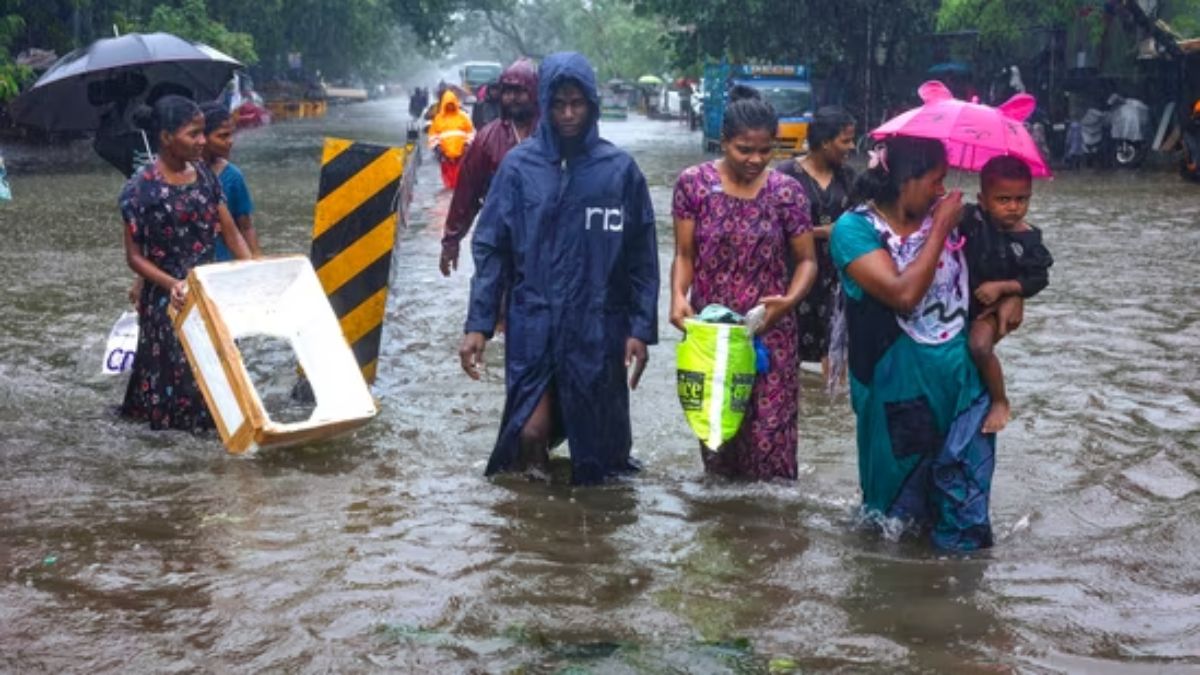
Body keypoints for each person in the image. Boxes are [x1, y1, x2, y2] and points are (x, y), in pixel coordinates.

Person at [459, 52, 659, 485]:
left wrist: (640, 328)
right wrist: (479, 323)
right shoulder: (518, 168)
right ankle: (538, 522)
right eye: (559, 104)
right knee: (529, 433)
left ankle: (584, 522)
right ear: (545, 104)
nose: (568, 114)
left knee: (600, 459)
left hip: (597, 327)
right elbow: (491, 247)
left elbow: (642, 258)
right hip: (534, 323)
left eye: (577, 103)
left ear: (592, 105)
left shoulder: (619, 172)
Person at [830, 136, 1018, 551]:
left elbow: (1008, 259)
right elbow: (903, 295)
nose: (940, 190)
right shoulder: (854, 230)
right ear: (904, 180)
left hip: (963, 384)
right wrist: (939, 231)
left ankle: (963, 585)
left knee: (967, 511)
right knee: (895, 523)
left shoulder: (957, 220)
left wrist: (1014, 294)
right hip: (895, 389)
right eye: (934, 180)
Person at [670, 86, 818, 481]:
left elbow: (807, 261)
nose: (755, 159)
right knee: (718, 440)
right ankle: (723, 515)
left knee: (770, 442)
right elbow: (684, 255)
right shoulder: (694, 184)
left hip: (771, 329)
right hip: (712, 332)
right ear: (723, 142)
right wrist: (677, 297)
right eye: (744, 150)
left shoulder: (787, 192)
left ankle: (770, 517)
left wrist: (788, 301)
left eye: (765, 150)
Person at [118, 95, 252, 431]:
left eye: (203, 132)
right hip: (168, 298)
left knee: (220, 372)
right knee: (172, 377)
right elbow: (134, 257)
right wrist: (172, 284)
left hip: (209, 291)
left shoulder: (206, 176)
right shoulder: (139, 190)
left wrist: (252, 271)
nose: (202, 141)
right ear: (166, 137)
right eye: (193, 134)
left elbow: (232, 233)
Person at [960, 156, 1053, 433]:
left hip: (992, 309)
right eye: (1003, 200)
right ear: (983, 200)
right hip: (962, 302)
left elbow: (1038, 278)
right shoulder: (972, 220)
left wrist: (1006, 289)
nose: (1014, 207)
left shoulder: (1029, 239)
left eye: (1022, 199)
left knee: (979, 346)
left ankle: (1000, 400)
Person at [776, 106, 857, 377]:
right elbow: (772, 229)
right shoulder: (785, 175)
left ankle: (830, 403)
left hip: (837, 277)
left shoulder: (849, 178)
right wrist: (823, 232)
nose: (851, 147)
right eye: (845, 141)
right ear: (824, 142)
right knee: (789, 352)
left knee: (836, 348)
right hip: (795, 275)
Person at [440, 58, 539, 277]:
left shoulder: (551, 135)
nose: (512, 98)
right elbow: (466, 194)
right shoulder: (487, 139)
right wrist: (451, 241)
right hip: (497, 239)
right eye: (507, 91)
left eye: (520, 91)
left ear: (534, 92)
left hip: (541, 242)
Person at [200, 102, 261, 261]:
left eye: (230, 135)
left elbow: (246, 226)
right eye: (222, 136)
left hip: (222, 263)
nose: (230, 141)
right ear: (201, 138)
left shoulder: (232, 176)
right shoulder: (179, 176)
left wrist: (256, 261)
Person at [428, 88, 475, 189]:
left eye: (451, 104)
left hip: (462, 155)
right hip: (445, 156)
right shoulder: (438, 118)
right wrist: (438, 149)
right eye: (448, 104)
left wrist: (467, 145)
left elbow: (471, 132)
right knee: (448, 182)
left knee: (461, 181)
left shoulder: (464, 117)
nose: (450, 106)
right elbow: (433, 136)